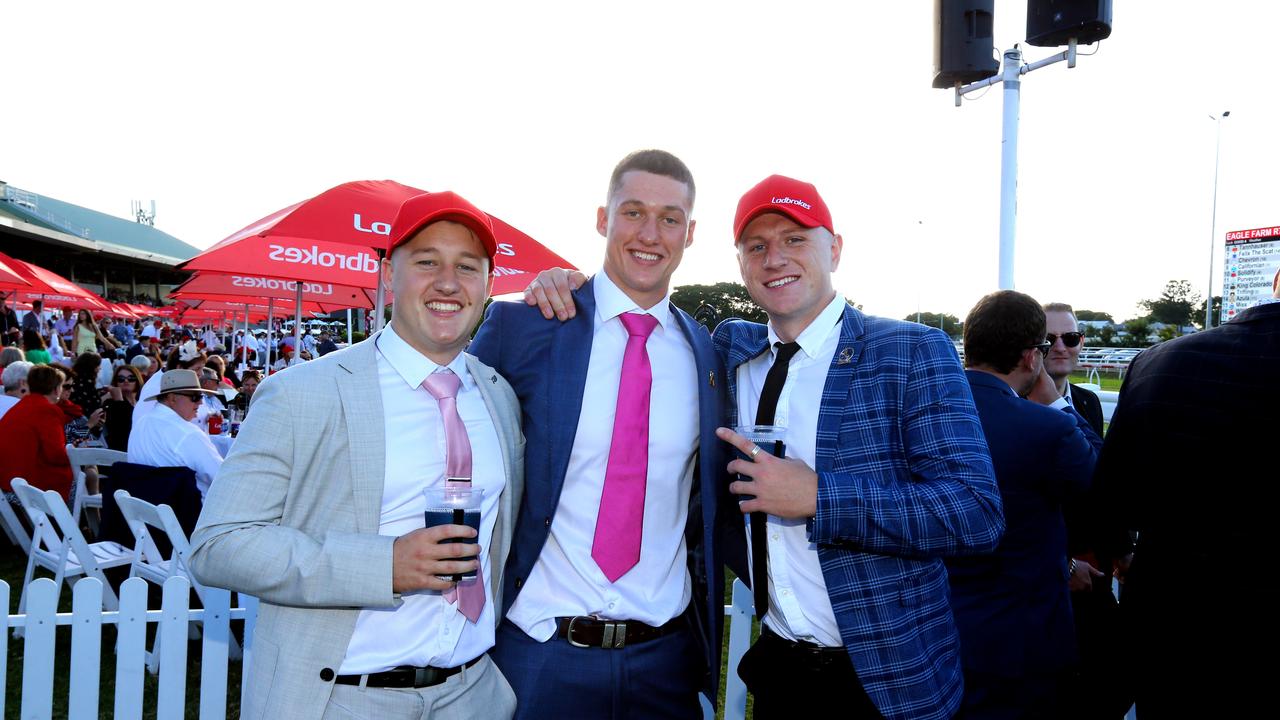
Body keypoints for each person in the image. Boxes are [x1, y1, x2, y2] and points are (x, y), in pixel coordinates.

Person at [525, 174, 1004, 719]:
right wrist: (567, 287)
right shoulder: (729, 349)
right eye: (758, 246)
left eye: (795, 240)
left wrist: (820, 497)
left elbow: (976, 512)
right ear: (741, 263)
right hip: (780, 671)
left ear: (835, 249)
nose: (775, 258)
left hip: (890, 679)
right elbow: (633, 311)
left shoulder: (910, 350)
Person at [190, 191, 524, 720]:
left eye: (467, 266)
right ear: (389, 275)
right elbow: (219, 546)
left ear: (487, 285)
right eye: (427, 262)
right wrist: (383, 565)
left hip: (471, 694)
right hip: (343, 698)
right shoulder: (303, 392)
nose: (447, 282)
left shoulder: (498, 397)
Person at [470, 150, 727, 720]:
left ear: (690, 233)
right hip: (539, 655)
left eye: (669, 218)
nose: (650, 233)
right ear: (601, 218)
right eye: (632, 212)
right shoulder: (528, 325)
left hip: (664, 661)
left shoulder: (708, 354)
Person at [1090, 267, 1280, 718]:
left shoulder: (1160, 361)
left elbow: (1111, 495)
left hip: (1172, 617)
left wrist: (1118, 551)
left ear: (1274, 282)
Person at [947, 290, 1102, 718]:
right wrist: (1056, 405)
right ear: (1032, 357)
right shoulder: (1046, 428)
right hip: (1023, 642)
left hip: (932, 630)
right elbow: (1106, 489)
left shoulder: (923, 413)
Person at [1042, 301, 1130, 718]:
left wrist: (1122, 548)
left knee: (1110, 682)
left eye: (1071, 338)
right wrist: (1063, 563)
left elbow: (1101, 485)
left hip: (1094, 571)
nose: (1061, 347)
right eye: (1049, 339)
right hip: (1047, 578)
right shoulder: (1016, 406)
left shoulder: (1090, 402)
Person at [127, 369, 223, 499]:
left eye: (201, 396)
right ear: (172, 399)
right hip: (191, 514)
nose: (200, 403)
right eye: (195, 397)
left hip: (144, 511)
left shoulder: (141, 423)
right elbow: (222, 477)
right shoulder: (188, 434)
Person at [0, 364, 73, 503]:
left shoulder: (20, 406)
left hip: (6, 481)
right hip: (27, 486)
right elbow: (56, 454)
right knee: (78, 480)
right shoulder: (48, 411)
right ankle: (70, 523)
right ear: (57, 389)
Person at [101, 364, 143, 452]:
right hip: (122, 451)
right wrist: (119, 400)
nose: (126, 381)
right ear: (116, 382)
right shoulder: (110, 403)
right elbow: (123, 429)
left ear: (137, 380)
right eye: (121, 379)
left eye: (131, 378)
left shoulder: (142, 402)